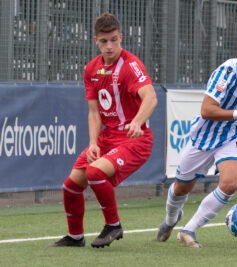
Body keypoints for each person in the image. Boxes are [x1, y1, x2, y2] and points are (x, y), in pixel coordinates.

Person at [156, 31, 237, 248]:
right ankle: (171, 219)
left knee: (230, 184)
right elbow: (207, 110)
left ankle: (189, 230)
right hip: (205, 135)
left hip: (235, 136)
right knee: (181, 188)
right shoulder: (227, 71)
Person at [49, 13, 157, 248]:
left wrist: (137, 121)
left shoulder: (131, 65)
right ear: (95, 40)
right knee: (71, 186)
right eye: (104, 41)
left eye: (114, 40)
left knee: (95, 173)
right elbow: (94, 112)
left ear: (121, 37)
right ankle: (75, 237)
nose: (110, 46)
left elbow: (150, 97)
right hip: (108, 138)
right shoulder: (91, 69)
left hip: (134, 139)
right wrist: (93, 143)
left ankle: (113, 225)